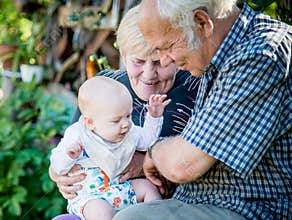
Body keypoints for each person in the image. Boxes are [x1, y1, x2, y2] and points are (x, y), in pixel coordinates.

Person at [112, 0, 291, 219]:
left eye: (167, 47)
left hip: (247, 209)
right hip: (202, 200)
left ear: (202, 22)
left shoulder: (259, 56)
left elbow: (183, 165)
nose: (167, 60)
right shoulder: (214, 53)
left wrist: (153, 153)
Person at [49, 5, 199, 201]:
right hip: (102, 200)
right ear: (124, 56)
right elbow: (70, 144)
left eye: (159, 62)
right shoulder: (105, 86)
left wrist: (143, 162)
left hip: (169, 203)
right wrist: (59, 176)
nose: (148, 74)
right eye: (138, 61)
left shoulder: (194, 85)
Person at [50, 76, 170, 219]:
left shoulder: (128, 131)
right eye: (116, 120)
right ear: (90, 123)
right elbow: (57, 166)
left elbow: (147, 141)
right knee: (101, 211)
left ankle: (155, 217)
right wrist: (69, 156)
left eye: (128, 115)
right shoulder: (78, 135)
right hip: (90, 197)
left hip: (120, 189)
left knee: (147, 188)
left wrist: (154, 117)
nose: (125, 123)